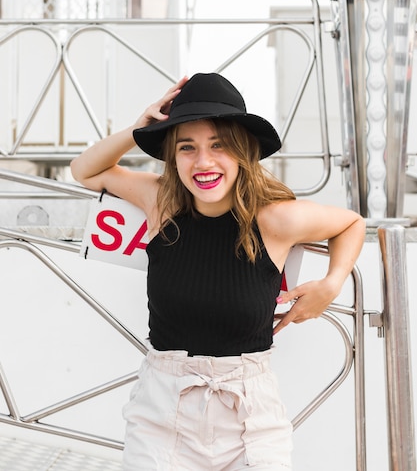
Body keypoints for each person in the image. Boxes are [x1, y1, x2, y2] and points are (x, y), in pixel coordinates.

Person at [70, 72, 365, 471]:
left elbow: (352, 223)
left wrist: (332, 283)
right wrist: (139, 128)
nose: (203, 162)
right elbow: (84, 171)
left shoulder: (276, 220)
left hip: (250, 415)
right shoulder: (161, 203)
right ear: (173, 156)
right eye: (187, 147)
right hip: (162, 411)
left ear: (243, 151)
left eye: (219, 145)